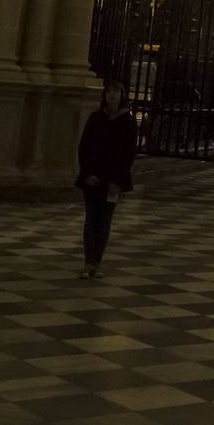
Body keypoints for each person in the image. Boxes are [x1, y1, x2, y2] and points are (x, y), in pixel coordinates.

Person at [75, 78, 137, 279]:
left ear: (122, 96)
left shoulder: (127, 121)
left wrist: (117, 181)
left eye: (116, 92)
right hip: (93, 177)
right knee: (90, 220)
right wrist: (87, 173)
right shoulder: (95, 118)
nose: (111, 95)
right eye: (109, 91)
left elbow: (128, 154)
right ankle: (87, 262)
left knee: (105, 221)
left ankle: (98, 262)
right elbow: (84, 147)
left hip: (113, 181)